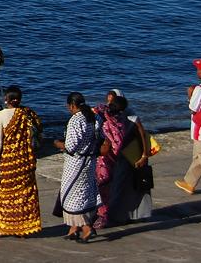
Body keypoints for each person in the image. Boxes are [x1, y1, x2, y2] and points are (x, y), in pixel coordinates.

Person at [0, 85, 42, 238]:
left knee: (4, 195)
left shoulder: (0, 115)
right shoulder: (29, 114)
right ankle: (23, 227)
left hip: (8, 162)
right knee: (24, 195)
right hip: (26, 162)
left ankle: (3, 227)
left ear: (6, 100)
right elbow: (39, 134)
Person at [54, 92, 100, 243]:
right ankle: (73, 228)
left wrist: (58, 144)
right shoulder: (94, 117)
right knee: (84, 194)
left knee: (72, 197)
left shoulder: (76, 120)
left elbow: (71, 147)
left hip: (76, 163)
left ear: (72, 106)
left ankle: (87, 228)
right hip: (90, 161)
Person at [104, 90, 153, 221]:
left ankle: (123, 215)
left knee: (127, 186)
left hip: (130, 156)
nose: (109, 103)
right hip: (123, 157)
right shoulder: (113, 116)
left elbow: (142, 135)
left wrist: (144, 155)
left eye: (112, 101)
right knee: (124, 186)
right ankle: (123, 215)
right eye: (108, 101)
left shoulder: (130, 117)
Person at [93, 94, 135, 229]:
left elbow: (98, 109)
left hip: (104, 159)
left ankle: (103, 216)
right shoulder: (121, 121)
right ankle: (108, 214)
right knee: (110, 188)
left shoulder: (106, 120)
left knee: (101, 187)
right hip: (115, 160)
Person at [176, 57, 201, 197]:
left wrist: (190, 95)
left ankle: (190, 183)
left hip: (200, 129)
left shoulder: (200, 88)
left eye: (198, 69)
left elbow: (193, 109)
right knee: (199, 158)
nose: (197, 71)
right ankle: (189, 183)